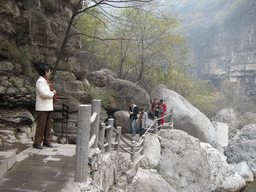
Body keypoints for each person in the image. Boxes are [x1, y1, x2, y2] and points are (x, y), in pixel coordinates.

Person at [33, 64, 56, 149]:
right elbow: (43, 94)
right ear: (45, 72)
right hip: (42, 107)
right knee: (41, 126)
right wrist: (52, 93)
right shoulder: (40, 81)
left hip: (48, 107)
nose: (49, 73)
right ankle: (37, 143)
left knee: (48, 125)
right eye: (48, 71)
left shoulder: (45, 81)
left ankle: (47, 141)